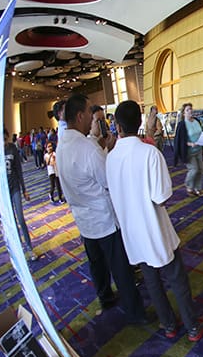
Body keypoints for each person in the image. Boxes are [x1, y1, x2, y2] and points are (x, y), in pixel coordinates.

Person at [107, 100, 203, 341]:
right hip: (155, 228)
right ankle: (192, 327)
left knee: (152, 282)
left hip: (132, 232)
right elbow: (161, 197)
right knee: (176, 279)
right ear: (140, 123)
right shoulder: (150, 153)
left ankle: (168, 325)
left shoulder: (110, 157)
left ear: (117, 126)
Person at [56, 93, 149, 324]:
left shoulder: (63, 144)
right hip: (103, 218)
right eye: (90, 113)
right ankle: (136, 314)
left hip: (83, 218)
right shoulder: (87, 148)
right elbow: (107, 180)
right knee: (121, 269)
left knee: (97, 264)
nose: (93, 118)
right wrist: (105, 151)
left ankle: (106, 298)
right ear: (80, 116)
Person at [3, 128, 36, 261]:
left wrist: (24, 190)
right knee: (12, 222)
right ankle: (19, 249)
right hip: (5, 192)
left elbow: (19, 170)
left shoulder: (12, 148)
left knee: (21, 219)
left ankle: (29, 248)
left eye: (6, 139)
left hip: (15, 187)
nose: (4, 143)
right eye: (2, 140)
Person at [173, 103, 203, 196]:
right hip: (188, 152)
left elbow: (200, 133)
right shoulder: (182, 124)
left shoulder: (197, 121)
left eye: (191, 109)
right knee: (194, 169)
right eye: (187, 110)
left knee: (200, 170)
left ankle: (197, 188)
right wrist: (190, 144)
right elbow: (179, 141)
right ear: (183, 113)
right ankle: (189, 186)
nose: (190, 111)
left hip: (199, 149)